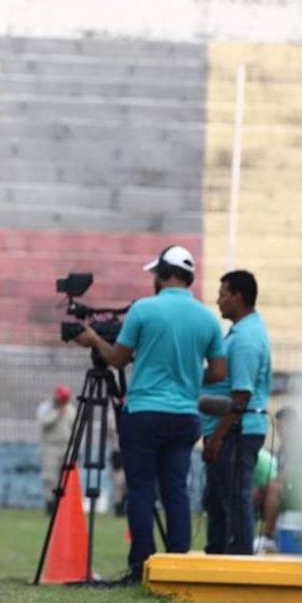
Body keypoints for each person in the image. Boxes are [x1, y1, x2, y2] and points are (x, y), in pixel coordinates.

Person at [75, 245, 226, 583]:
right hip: (185, 415)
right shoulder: (206, 317)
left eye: (156, 273)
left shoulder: (144, 310)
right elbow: (217, 372)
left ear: (166, 274)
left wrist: (94, 340)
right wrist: (184, 374)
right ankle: (177, 564)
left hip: (144, 412)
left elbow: (117, 359)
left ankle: (140, 564)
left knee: (141, 491)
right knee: (176, 491)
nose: (154, 279)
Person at [201, 270, 271, 556]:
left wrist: (217, 438)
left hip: (237, 432)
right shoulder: (240, 332)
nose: (218, 301)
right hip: (229, 431)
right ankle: (217, 554)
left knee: (235, 498)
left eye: (223, 295)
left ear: (238, 297)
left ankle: (239, 558)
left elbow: (240, 396)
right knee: (217, 499)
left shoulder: (246, 339)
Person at [254, 407, 295, 553]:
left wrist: (277, 480)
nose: (278, 431)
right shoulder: (283, 448)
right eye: (277, 427)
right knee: (256, 492)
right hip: (289, 489)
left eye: (282, 426)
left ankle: (267, 538)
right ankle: (241, 536)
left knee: (274, 487)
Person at [36, 385, 75, 514]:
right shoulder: (45, 408)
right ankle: (50, 504)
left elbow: (74, 426)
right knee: (50, 477)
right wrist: (57, 413)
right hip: (50, 447)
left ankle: (64, 505)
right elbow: (44, 423)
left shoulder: (71, 409)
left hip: (66, 446)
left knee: (66, 477)